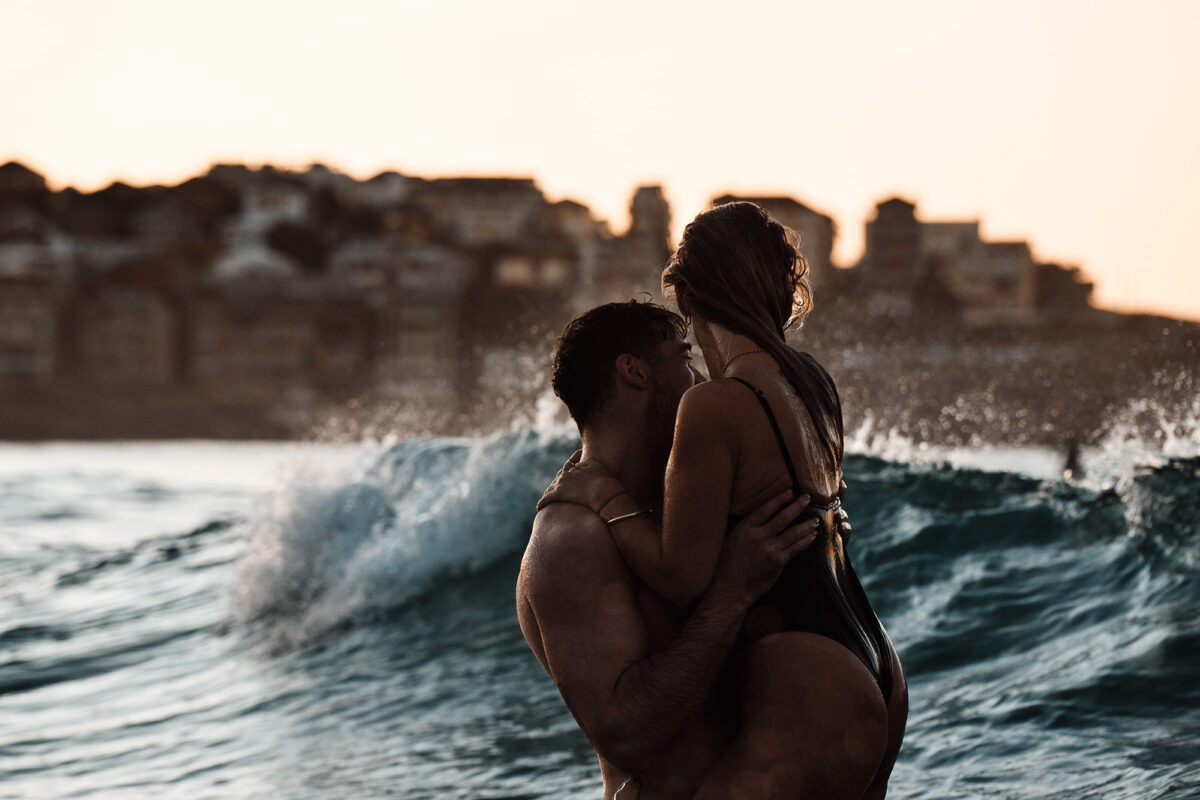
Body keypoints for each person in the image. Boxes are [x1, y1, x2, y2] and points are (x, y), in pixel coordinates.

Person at [541, 202, 908, 798]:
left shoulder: (715, 405)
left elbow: (681, 578)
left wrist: (605, 498)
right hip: (877, 660)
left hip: (811, 683)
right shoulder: (814, 382)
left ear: (686, 299)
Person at [517, 302, 825, 799]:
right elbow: (628, 734)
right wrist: (731, 593)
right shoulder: (572, 537)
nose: (702, 377)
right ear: (635, 371)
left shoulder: (672, 512)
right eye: (685, 357)